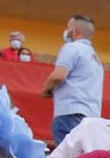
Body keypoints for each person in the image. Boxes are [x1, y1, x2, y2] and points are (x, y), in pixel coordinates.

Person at [40, 14, 104, 147]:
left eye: (68, 27)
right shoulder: (95, 58)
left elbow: (58, 76)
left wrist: (46, 89)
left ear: (75, 31)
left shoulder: (72, 48)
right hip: (91, 116)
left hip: (70, 113)